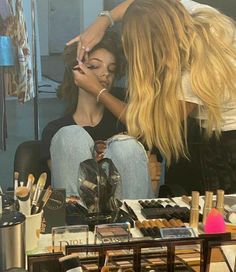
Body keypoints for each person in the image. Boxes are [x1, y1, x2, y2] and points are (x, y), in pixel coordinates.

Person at [68, 0, 236, 194]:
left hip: (227, 142)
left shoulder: (190, 74)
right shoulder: (191, 14)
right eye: (93, 66)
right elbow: (143, 4)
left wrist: (98, 91)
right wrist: (105, 20)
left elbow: (148, 126)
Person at [40, 31, 155, 200]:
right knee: (70, 135)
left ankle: (129, 222)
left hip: (126, 214)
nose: (105, 74)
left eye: (112, 69)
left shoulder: (124, 121)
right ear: (76, 72)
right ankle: (79, 221)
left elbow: (150, 180)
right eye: (94, 66)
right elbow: (64, 177)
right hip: (78, 218)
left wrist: (99, 92)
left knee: (126, 146)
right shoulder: (55, 130)